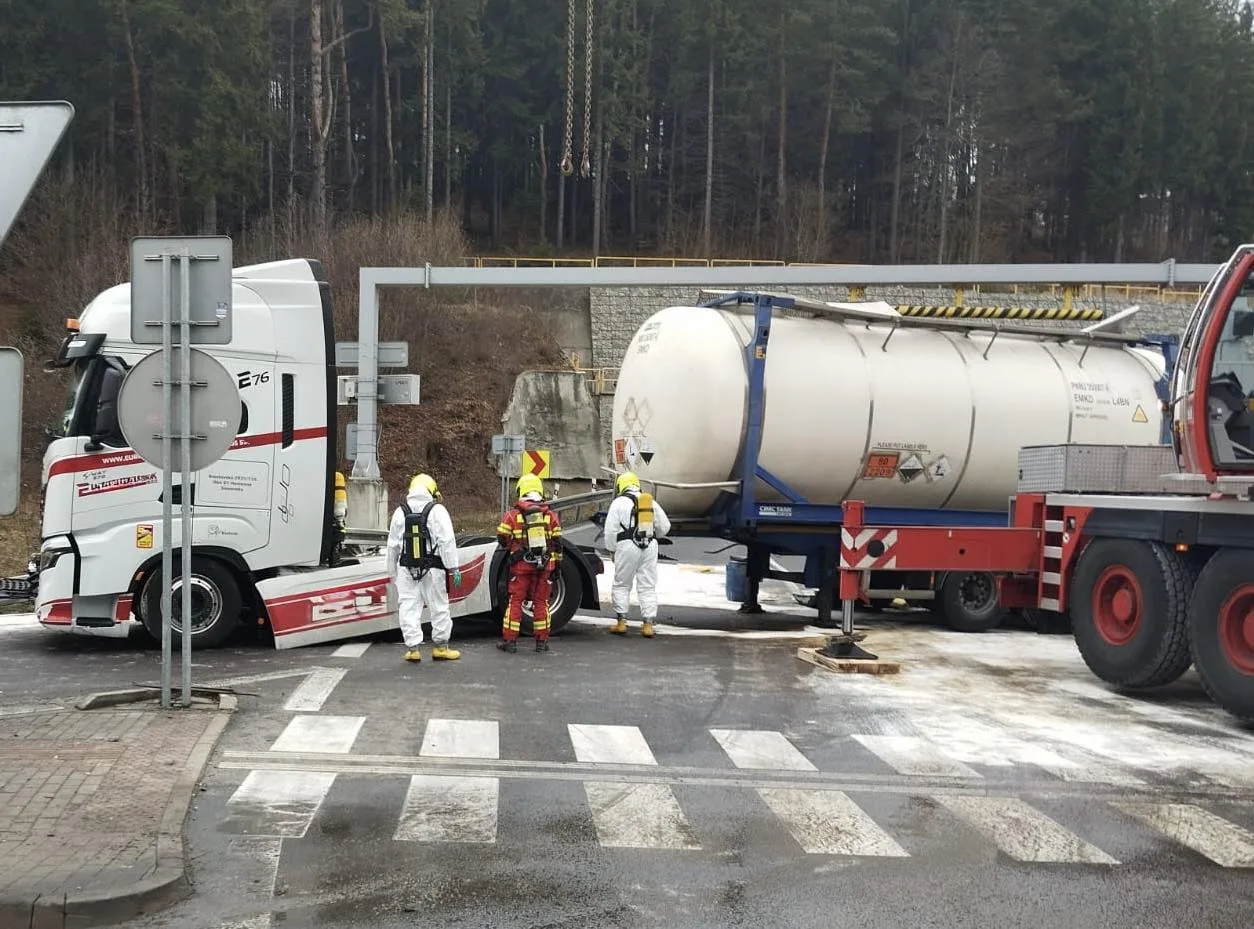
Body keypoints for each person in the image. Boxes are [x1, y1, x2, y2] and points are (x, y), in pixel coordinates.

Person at [386, 473, 463, 663]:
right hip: (433, 567)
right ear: (431, 490)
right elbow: (447, 541)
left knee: (408, 607)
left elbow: (392, 545)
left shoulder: (400, 512)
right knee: (439, 606)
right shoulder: (437, 511)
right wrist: (453, 568)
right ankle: (441, 647)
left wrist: (391, 572)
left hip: (406, 568)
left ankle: (413, 649)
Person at [495, 473, 562, 653]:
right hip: (545, 566)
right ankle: (541, 642)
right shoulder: (551, 516)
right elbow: (557, 544)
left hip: (521, 567)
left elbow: (502, 537)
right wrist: (557, 567)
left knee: (515, 602)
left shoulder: (513, 515)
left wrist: (513, 545)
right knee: (541, 602)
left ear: (521, 491)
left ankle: (510, 642)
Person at [605, 471, 670, 637]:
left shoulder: (618, 502)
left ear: (620, 486)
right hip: (649, 545)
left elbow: (611, 530)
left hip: (626, 546)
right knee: (647, 585)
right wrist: (654, 536)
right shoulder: (650, 502)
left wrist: (612, 550)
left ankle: (621, 622)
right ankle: (648, 625)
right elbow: (665, 526)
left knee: (622, 583)